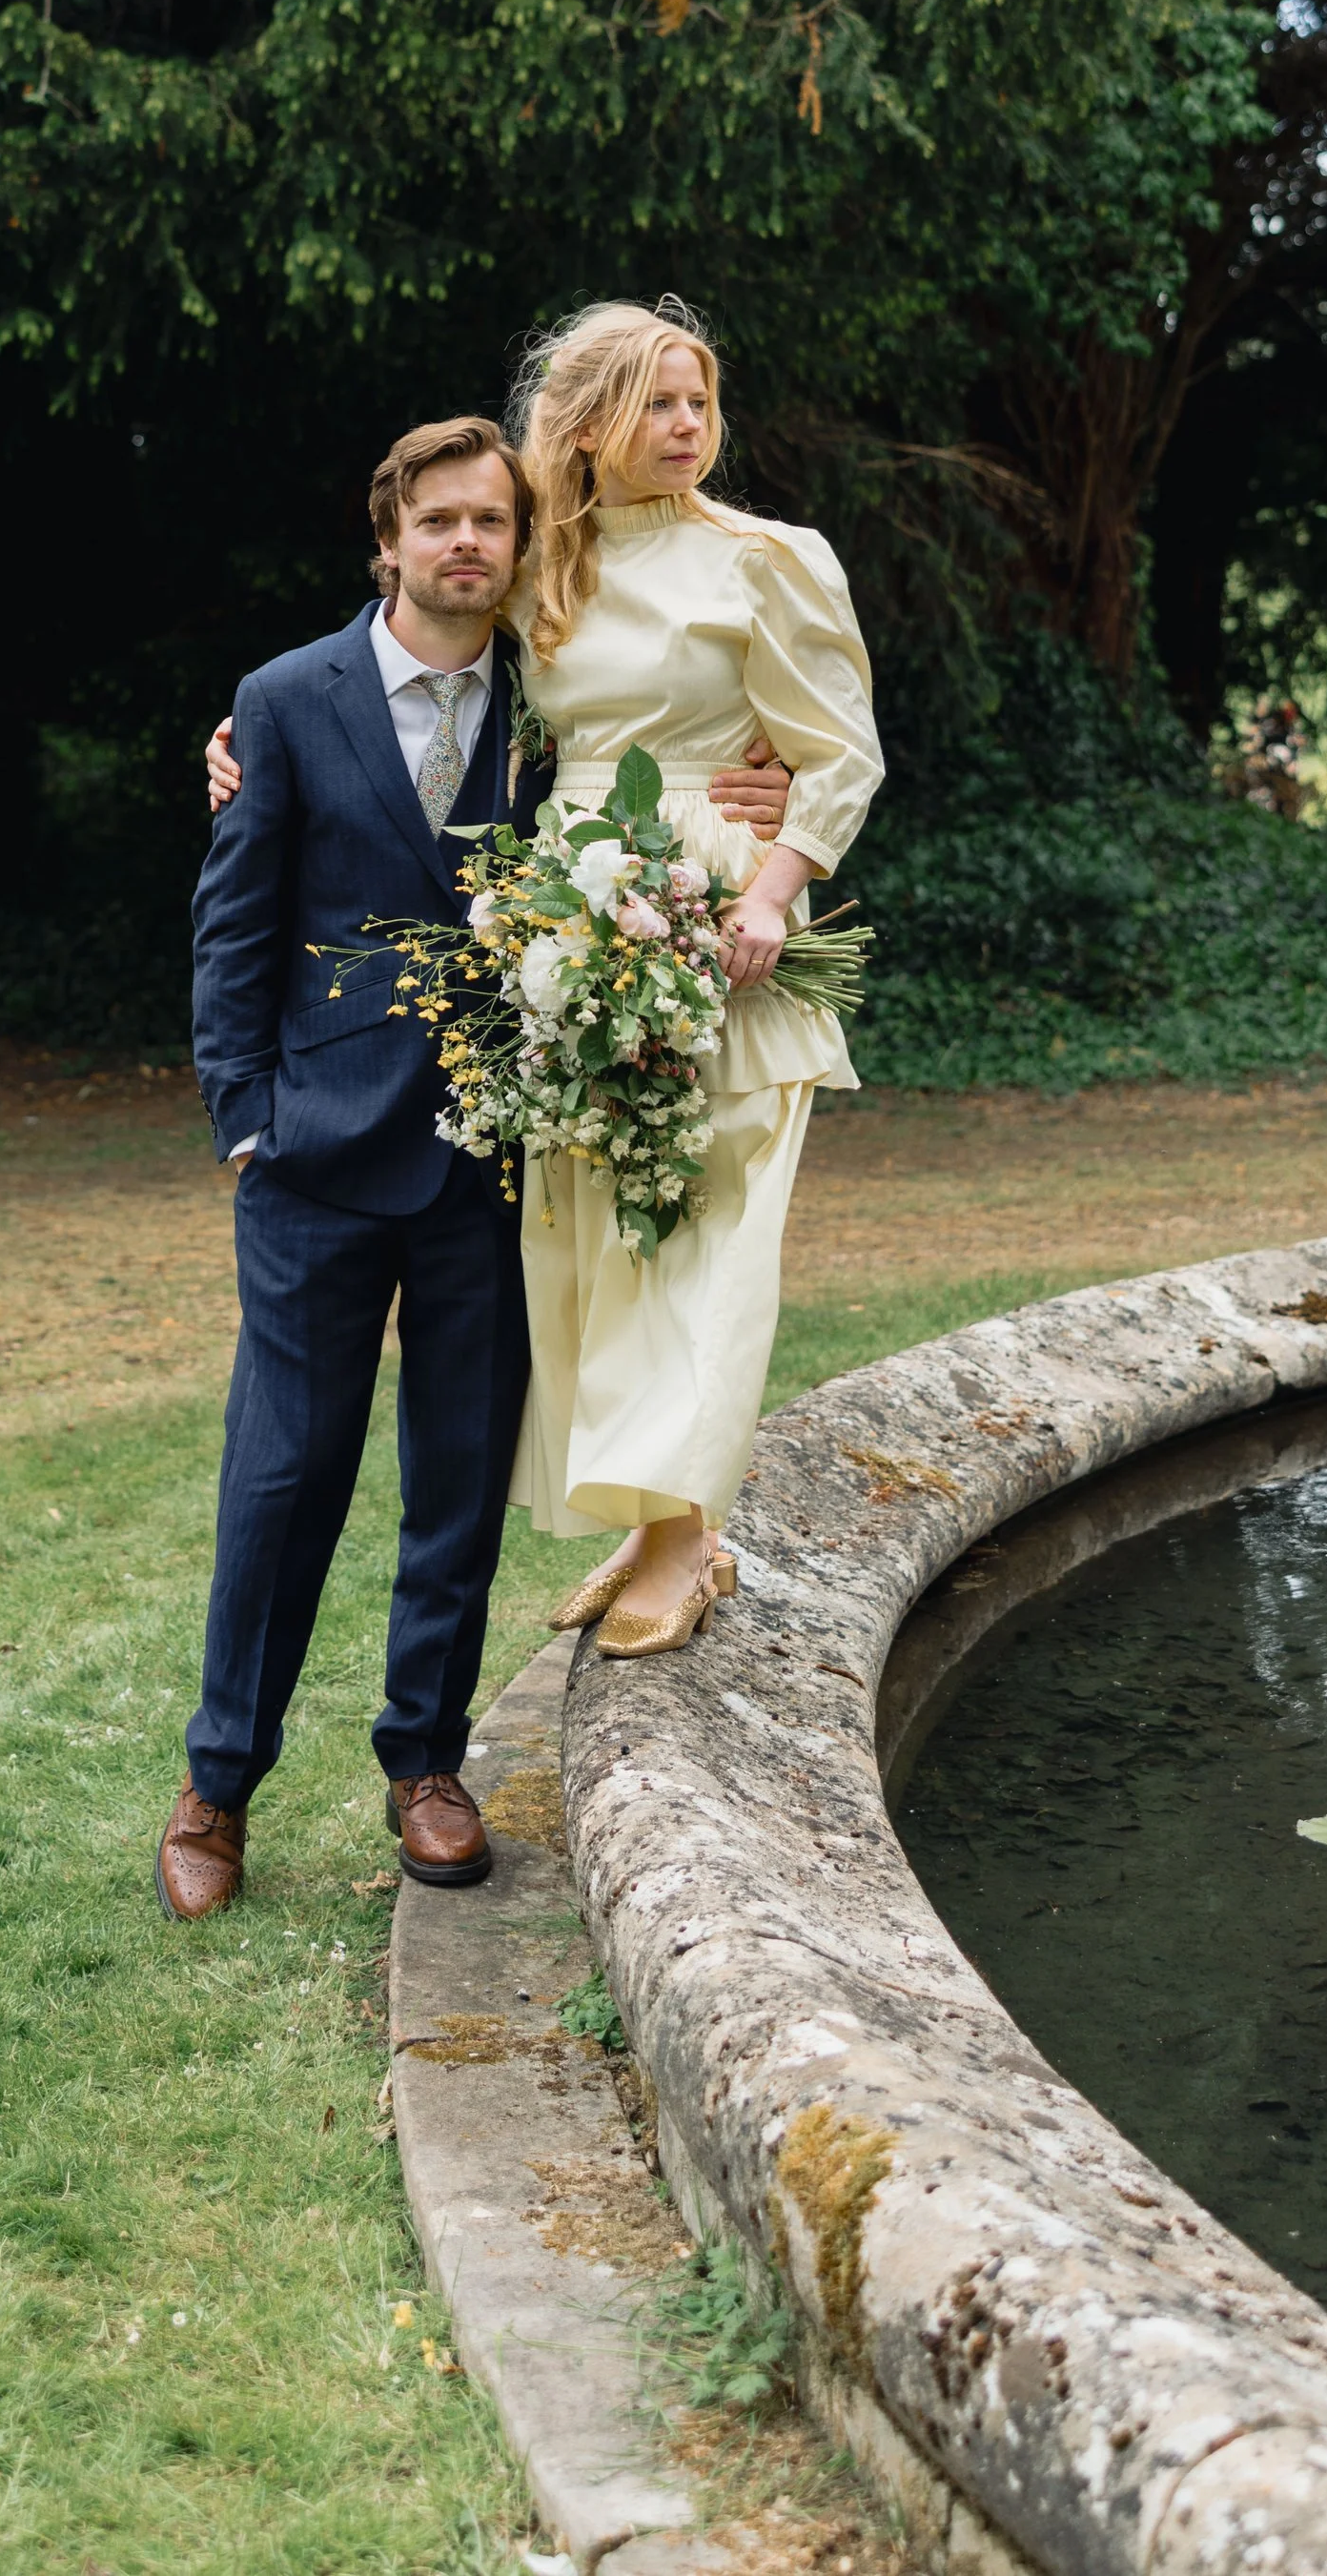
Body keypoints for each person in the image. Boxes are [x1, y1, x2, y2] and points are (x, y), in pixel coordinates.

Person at [167, 413, 792, 1921]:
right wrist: (243, 1120)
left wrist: (756, 798)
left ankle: (426, 1767)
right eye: (437, 521)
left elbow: (677, 776)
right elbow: (234, 924)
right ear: (386, 539)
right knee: (284, 1477)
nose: (465, 544)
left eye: (492, 526)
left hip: (491, 1158)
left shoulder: (551, 704)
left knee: (455, 1480)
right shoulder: (284, 700)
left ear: (521, 549)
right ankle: (217, 1785)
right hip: (313, 1160)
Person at [505, 302, 882, 1655]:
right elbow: (420, 676)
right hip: (576, 906)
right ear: (588, 419)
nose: (687, 427)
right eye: (659, 403)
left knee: (710, 1217)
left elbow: (840, 750)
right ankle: (663, 1517)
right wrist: (242, 733)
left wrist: (775, 889)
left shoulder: (770, 559)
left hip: (722, 911)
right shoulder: (545, 562)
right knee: (604, 1227)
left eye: (699, 401)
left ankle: (687, 1538)